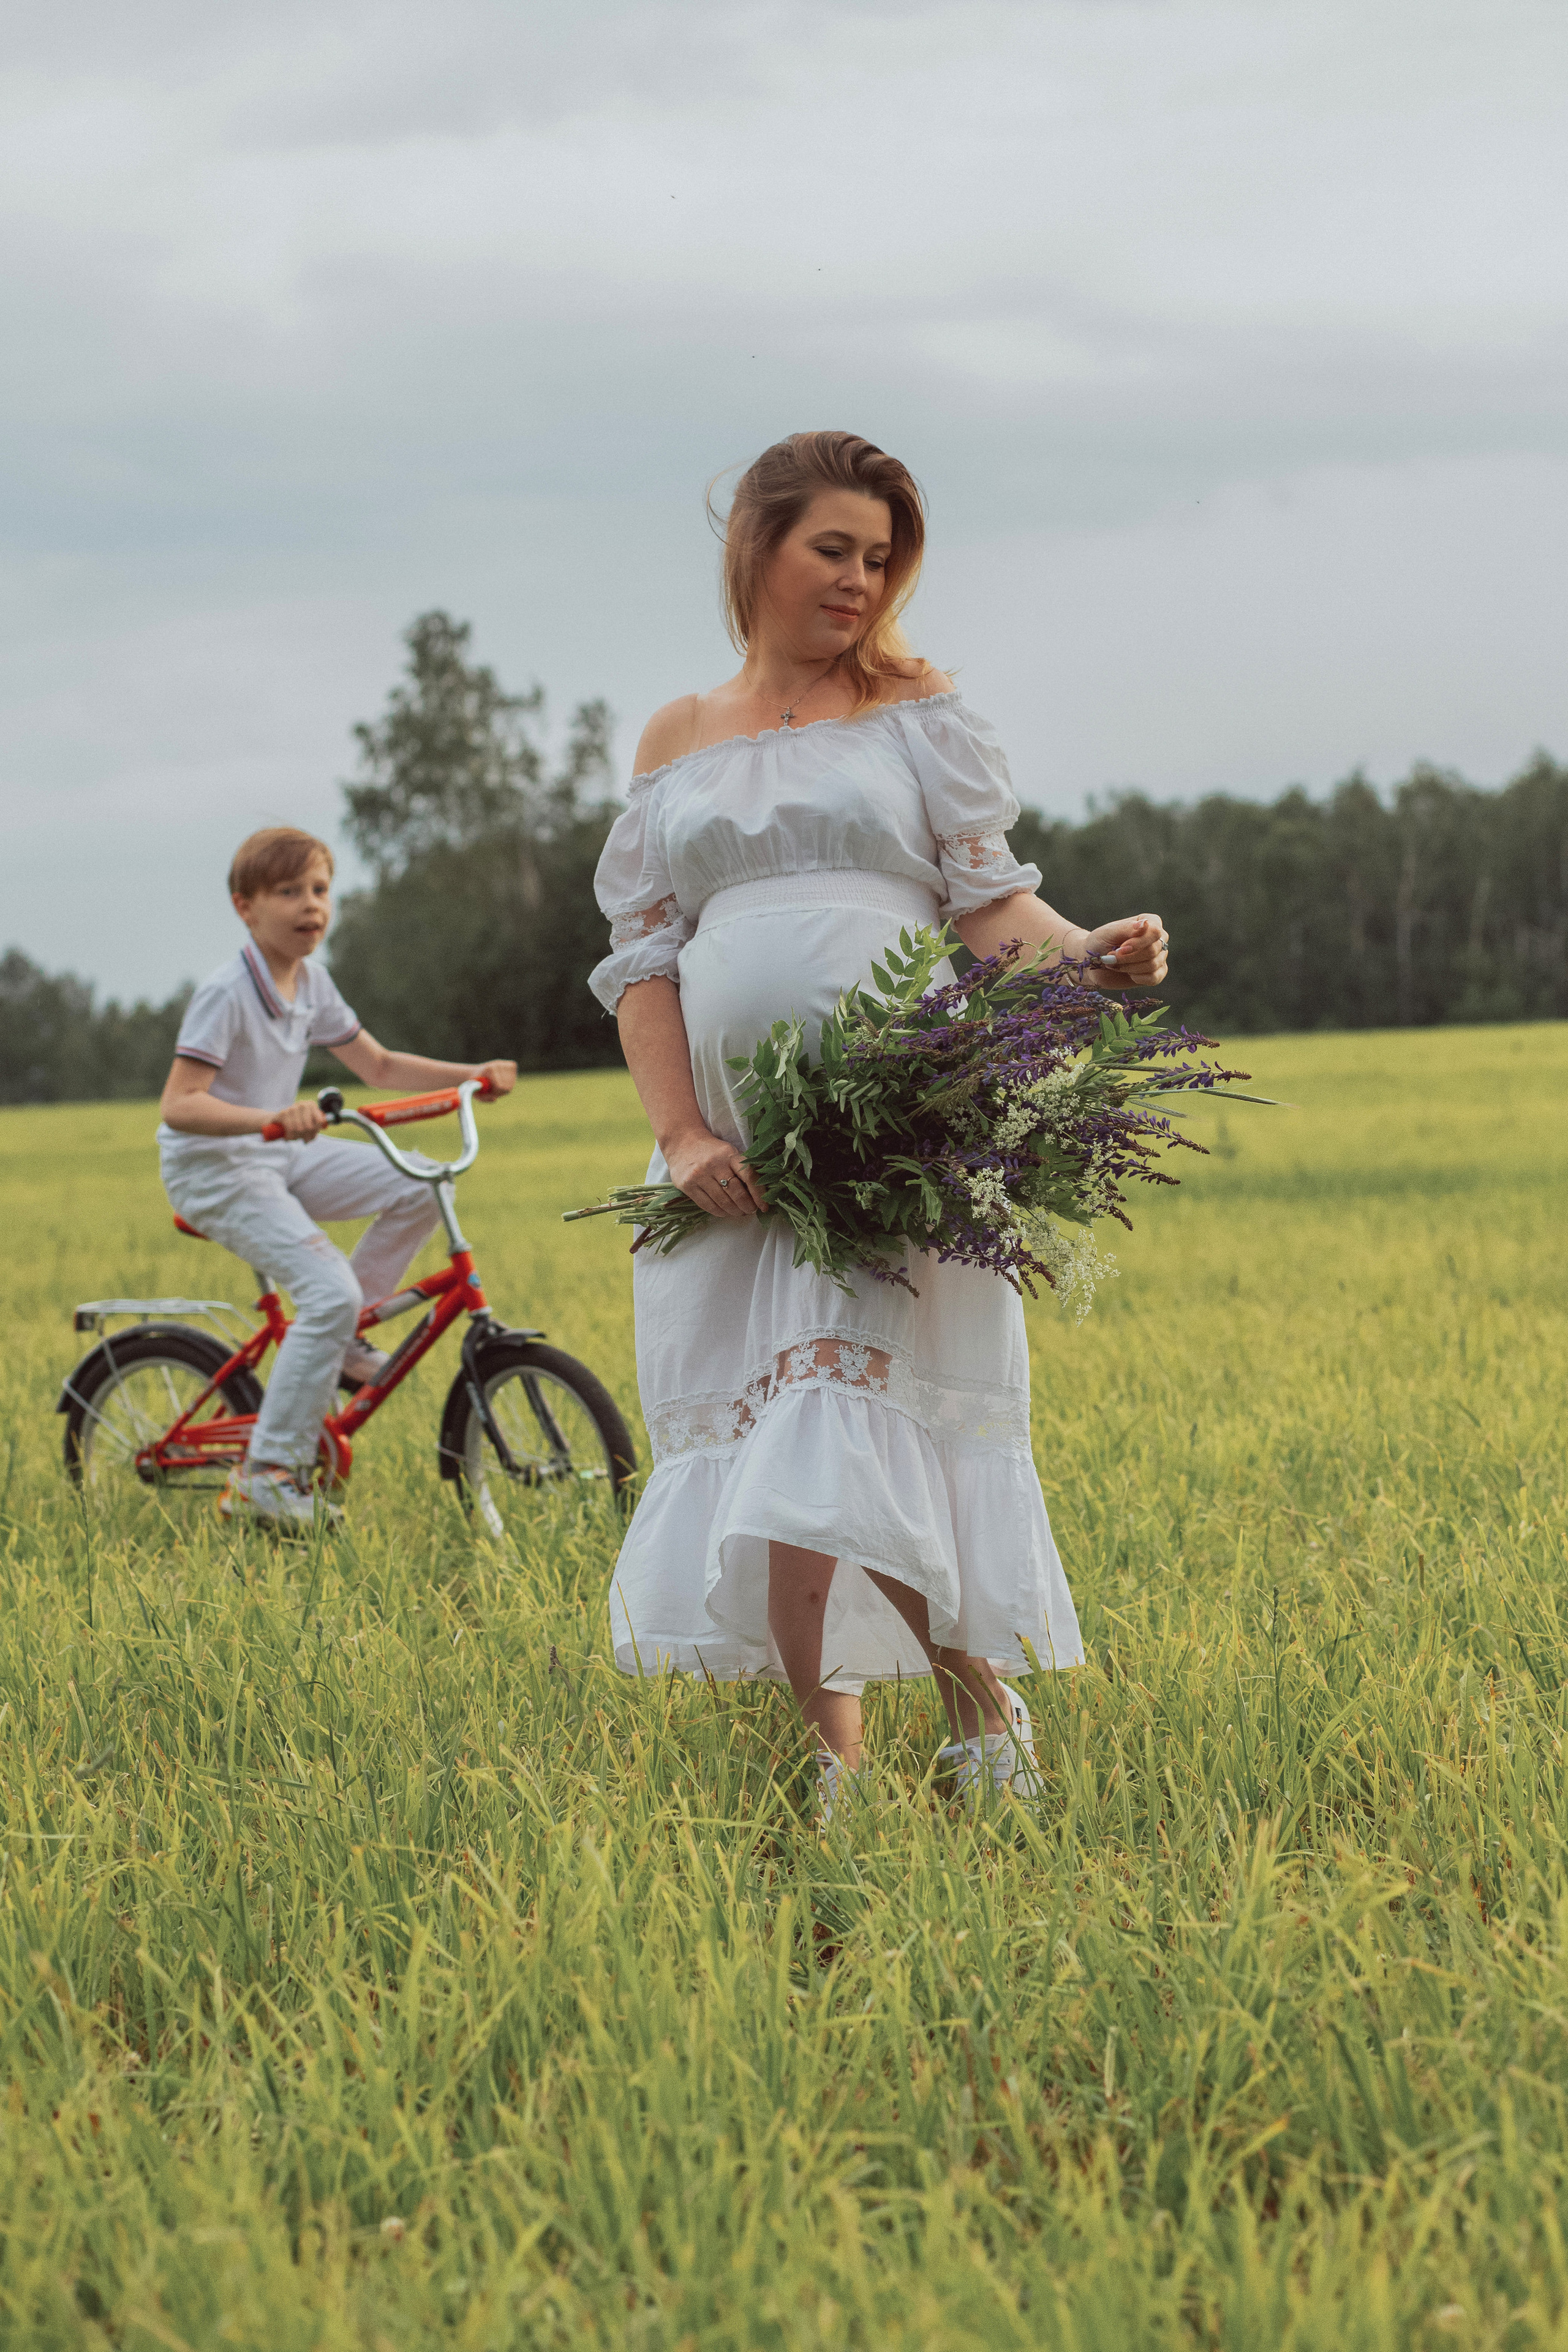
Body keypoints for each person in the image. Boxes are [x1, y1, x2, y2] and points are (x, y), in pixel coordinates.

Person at [589, 431, 1170, 1820]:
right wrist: (678, 1137)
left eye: (877, 555)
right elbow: (643, 965)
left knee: (848, 1413)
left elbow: (985, 909)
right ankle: (832, 1758)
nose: (858, 579)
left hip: (891, 1123)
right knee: (783, 1443)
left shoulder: (916, 712)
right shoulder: (675, 737)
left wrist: (1083, 954)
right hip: (736, 1157)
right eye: (830, 548)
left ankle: (978, 1708)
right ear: (757, 548)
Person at [157, 825, 516, 1527]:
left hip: (278, 1153)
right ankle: (266, 1473)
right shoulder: (226, 993)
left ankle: (345, 1336)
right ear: (245, 907)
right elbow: (180, 1105)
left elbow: (377, 1067)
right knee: (325, 1290)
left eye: (320, 890)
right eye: (288, 892)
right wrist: (269, 1118)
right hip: (216, 1169)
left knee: (420, 1181)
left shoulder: (312, 981)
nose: (310, 906)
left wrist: (470, 1076)